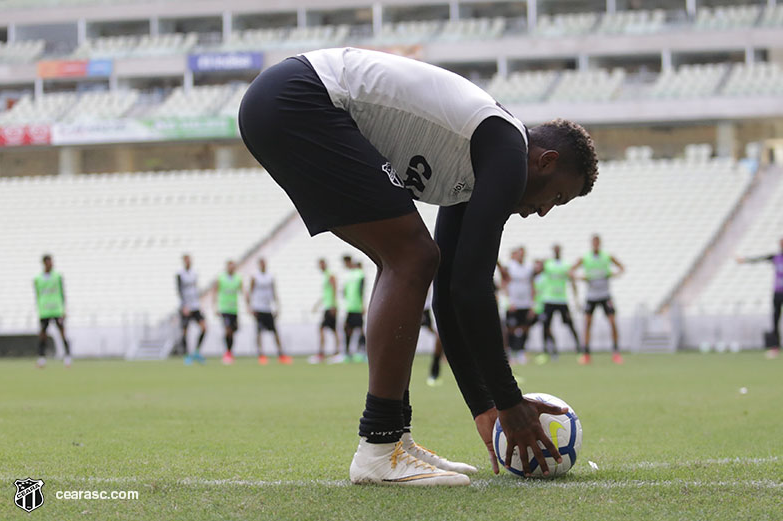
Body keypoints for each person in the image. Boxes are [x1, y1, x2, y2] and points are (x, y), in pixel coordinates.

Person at [238, 47, 598, 486]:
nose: (542, 211)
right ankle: (379, 445)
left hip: (285, 101)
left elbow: (449, 293)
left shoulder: (484, 156)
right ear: (546, 161)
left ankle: (393, 439)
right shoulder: (507, 149)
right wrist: (509, 402)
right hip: (299, 97)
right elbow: (471, 288)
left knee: (410, 259)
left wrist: (484, 406)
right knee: (412, 256)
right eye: (556, 197)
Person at [571, 235, 625, 365]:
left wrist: (614, 274)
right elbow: (571, 271)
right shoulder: (586, 257)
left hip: (605, 295)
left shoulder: (606, 256)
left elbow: (621, 268)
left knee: (612, 322)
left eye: (597, 242)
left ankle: (616, 352)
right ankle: (586, 353)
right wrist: (581, 278)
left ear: (600, 243)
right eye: (594, 242)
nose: (595, 244)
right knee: (588, 324)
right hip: (591, 296)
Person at [737, 237, 783, 359]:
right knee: (775, 319)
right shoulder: (775, 257)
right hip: (778, 292)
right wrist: (745, 260)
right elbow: (759, 259)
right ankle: (775, 347)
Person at [248, 258, 292, 365]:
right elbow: (250, 292)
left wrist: (277, 306)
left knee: (275, 332)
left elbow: (274, 292)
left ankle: (281, 354)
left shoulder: (270, 277)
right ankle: (261, 355)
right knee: (259, 332)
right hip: (258, 308)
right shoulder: (255, 277)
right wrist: (250, 307)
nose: (263, 265)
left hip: (268, 308)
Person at [542, 244, 581, 359]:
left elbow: (572, 281)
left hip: (562, 299)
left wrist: (576, 299)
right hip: (549, 299)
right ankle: (548, 350)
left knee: (570, 324)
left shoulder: (566, 265)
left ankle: (579, 348)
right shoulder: (548, 264)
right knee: (546, 325)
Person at [497, 247, 534, 365]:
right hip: (513, 304)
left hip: (525, 303)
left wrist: (532, 303)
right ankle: (510, 352)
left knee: (524, 328)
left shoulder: (528, 268)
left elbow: (532, 284)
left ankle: (521, 351)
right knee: (511, 329)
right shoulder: (510, 267)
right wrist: (508, 301)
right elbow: (504, 283)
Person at [34, 254, 71, 368]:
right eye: (49, 262)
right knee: (43, 335)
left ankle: (67, 357)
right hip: (44, 310)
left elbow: (62, 293)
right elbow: (37, 295)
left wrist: (64, 309)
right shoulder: (38, 278)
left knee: (62, 333)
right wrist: (39, 308)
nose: (51, 264)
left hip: (57, 309)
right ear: (44, 263)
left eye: (51, 262)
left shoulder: (57, 276)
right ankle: (41, 358)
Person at [331, 255, 367, 363]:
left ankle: (361, 352)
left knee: (358, 329)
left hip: (356, 307)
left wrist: (362, 305)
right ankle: (349, 353)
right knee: (349, 329)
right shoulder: (353, 275)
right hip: (351, 307)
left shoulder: (358, 274)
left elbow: (360, 290)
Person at [177, 254, 206, 365]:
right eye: (186, 260)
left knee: (204, 328)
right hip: (185, 306)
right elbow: (179, 290)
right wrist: (184, 305)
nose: (188, 262)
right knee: (185, 331)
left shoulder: (195, 273)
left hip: (195, 306)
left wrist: (200, 303)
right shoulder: (180, 274)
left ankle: (197, 351)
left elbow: (196, 289)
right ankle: (187, 355)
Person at [310, 258, 340, 364]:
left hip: (330, 307)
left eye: (321, 264)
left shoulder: (330, 275)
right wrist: (317, 305)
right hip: (328, 306)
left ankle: (323, 353)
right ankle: (336, 353)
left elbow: (334, 289)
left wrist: (333, 305)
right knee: (333, 330)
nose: (320, 266)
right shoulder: (326, 276)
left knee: (323, 328)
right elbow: (325, 294)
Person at [214, 260, 242, 365]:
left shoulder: (238, 278)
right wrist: (215, 307)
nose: (231, 268)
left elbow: (242, 291)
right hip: (224, 309)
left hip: (234, 309)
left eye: (233, 266)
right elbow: (215, 291)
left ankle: (230, 352)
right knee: (228, 330)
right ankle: (227, 353)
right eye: (230, 266)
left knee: (233, 331)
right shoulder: (221, 278)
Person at [423, 288, 445, 386]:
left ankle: (435, 370)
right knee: (439, 333)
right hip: (429, 301)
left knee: (441, 333)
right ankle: (435, 369)